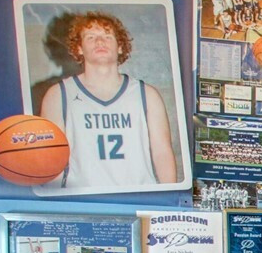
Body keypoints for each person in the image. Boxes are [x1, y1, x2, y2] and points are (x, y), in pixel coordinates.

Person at [39, 13, 178, 191]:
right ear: (79, 48)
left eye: (107, 36)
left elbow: (162, 152)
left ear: (120, 47)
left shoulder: (147, 94)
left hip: (138, 197)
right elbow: (51, 156)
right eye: (91, 37)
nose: (100, 42)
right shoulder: (58, 95)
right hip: (82, 199)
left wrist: (170, 197)